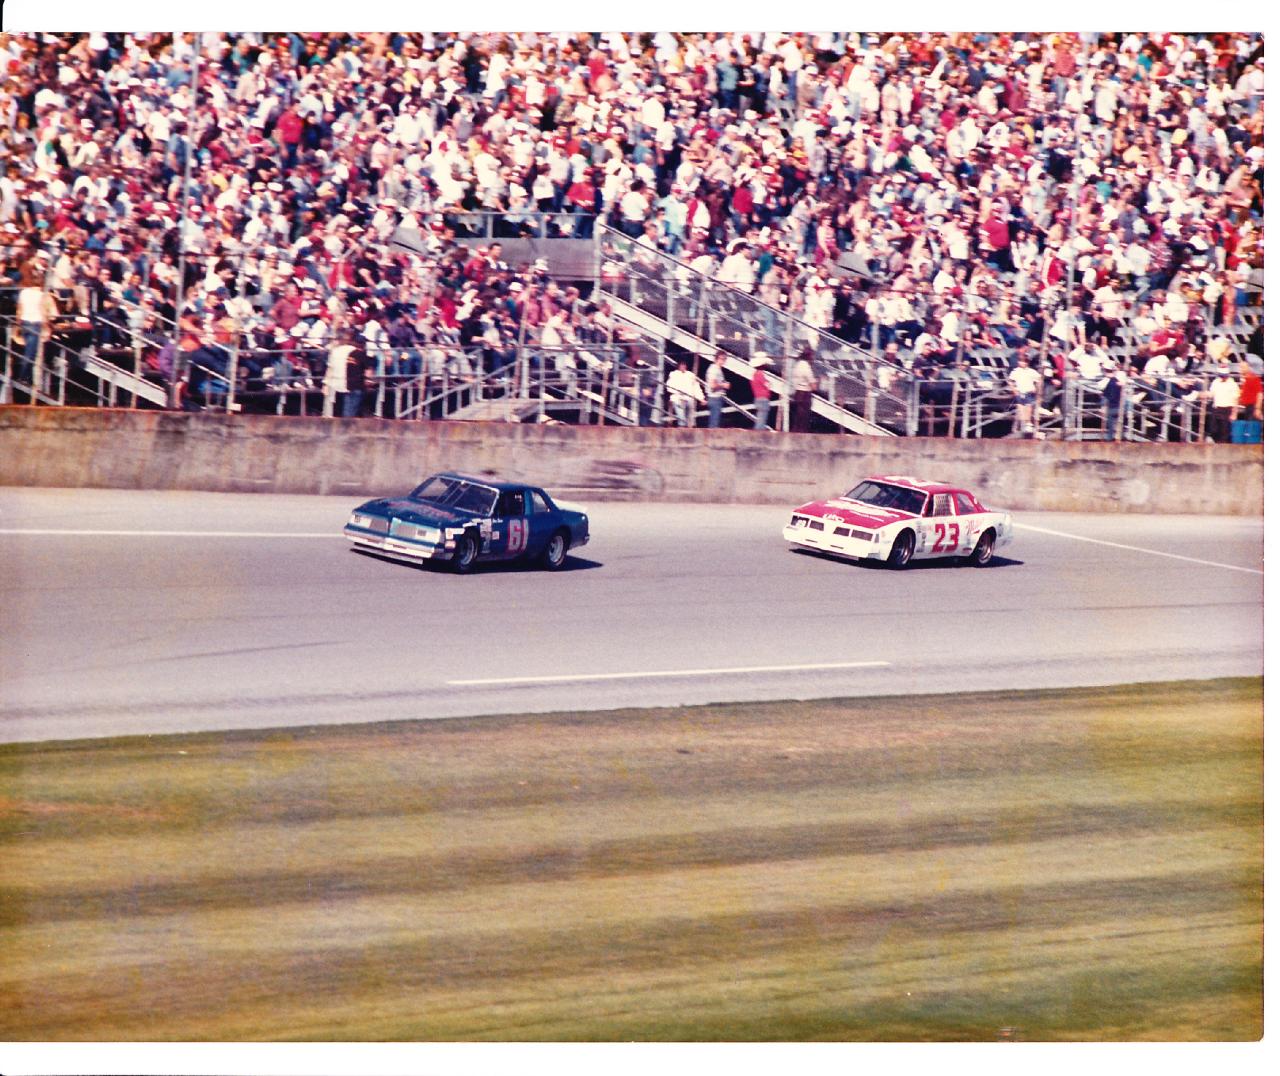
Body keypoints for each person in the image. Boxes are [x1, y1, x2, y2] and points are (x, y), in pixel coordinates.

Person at [1008, 353, 1041, 439]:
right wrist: (1014, 390)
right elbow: (1010, 381)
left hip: (1029, 392)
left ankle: (1028, 423)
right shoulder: (1016, 371)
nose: (1022, 363)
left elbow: (1039, 380)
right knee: (1021, 408)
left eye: (1024, 362)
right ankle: (1024, 424)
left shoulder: (1031, 371)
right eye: (1021, 361)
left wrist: (1036, 388)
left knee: (1028, 407)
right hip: (1020, 392)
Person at [665, 359, 704, 427]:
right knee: (681, 416)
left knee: (690, 418)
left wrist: (701, 398)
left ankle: (689, 426)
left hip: (688, 399)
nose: (683, 366)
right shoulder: (674, 374)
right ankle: (681, 426)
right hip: (678, 398)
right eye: (681, 365)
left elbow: (696, 388)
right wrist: (680, 395)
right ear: (679, 366)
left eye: (684, 365)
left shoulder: (690, 375)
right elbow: (669, 387)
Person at [1207, 365, 1240, 443]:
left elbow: (1236, 399)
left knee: (1225, 431)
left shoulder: (1232, 384)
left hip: (1227, 409)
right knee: (1213, 429)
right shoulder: (1215, 382)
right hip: (1217, 408)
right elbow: (1211, 394)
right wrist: (1204, 395)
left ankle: (1224, 445)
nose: (1222, 378)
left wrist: (1234, 413)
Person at [790, 349, 818, 432]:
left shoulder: (797, 365)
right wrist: (816, 383)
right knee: (805, 414)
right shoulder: (806, 367)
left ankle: (796, 429)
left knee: (798, 413)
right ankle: (802, 430)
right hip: (805, 392)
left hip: (797, 391)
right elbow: (813, 384)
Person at [705, 352, 729, 429]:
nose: (723, 361)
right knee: (714, 424)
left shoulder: (717, 369)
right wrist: (724, 385)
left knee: (715, 422)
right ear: (716, 359)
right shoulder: (714, 369)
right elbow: (713, 385)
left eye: (724, 359)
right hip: (715, 398)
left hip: (716, 398)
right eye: (721, 359)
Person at [750, 353, 773, 430]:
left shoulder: (755, 374)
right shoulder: (760, 374)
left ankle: (758, 432)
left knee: (760, 418)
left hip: (758, 397)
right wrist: (769, 383)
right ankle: (758, 433)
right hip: (763, 398)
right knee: (762, 420)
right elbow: (767, 385)